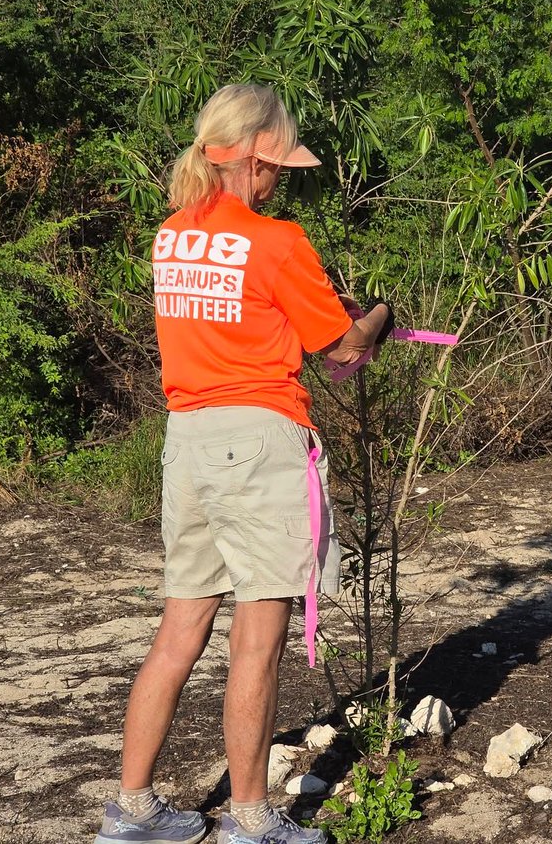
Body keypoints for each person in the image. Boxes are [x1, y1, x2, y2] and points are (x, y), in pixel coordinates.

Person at [93, 84, 390, 844]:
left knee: (180, 627)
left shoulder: (170, 235)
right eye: (278, 165)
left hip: (186, 439)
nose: (282, 179)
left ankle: (132, 811)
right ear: (256, 159)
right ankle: (252, 823)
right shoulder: (278, 240)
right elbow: (342, 347)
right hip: (259, 439)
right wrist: (380, 314)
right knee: (256, 639)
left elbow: (237, 318)